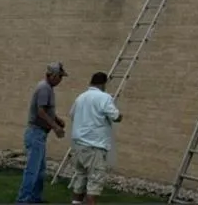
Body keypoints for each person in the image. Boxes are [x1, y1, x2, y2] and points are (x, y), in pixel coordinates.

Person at [67, 71, 124, 205]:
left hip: (78, 145)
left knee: (80, 179)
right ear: (103, 84)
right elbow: (115, 116)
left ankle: (76, 202)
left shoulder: (81, 97)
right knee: (94, 183)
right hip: (95, 146)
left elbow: (72, 114)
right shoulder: (104, 97)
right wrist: (120, 115)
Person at [16, 61, 68, 204]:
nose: (60, 80)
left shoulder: (48, 88)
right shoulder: (44, 88)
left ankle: (35, 198)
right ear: (52, 75)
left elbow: (47, 110)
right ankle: (22, 200)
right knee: (32, 170)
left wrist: (57, 119)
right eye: (59, 77)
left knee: (40, 170)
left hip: (40, 134)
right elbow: (41, 112)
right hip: (36, 133)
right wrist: (56, 127)